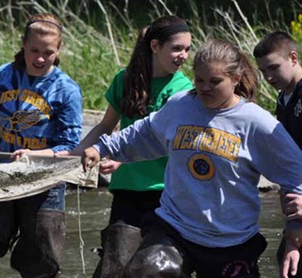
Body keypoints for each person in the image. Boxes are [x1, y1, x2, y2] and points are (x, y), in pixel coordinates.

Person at [79, 38, 302, 277]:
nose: (205, 88)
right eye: (199, 80)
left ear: (235, 79)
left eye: (215, 81)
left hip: (231, 239)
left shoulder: (257, 123)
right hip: (176, 228)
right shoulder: (181, 106)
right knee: (148, 269)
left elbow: (296, 173)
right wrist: (102, 148)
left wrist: (295, 228)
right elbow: (143, 133)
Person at [56, 15, 192, 277]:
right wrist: (76, 153)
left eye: (187, 49)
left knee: (159, 268)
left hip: (167, 194)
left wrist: (123, 157)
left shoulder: (183, 89)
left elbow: (167, 143)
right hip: (126, 191)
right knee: (113, 267)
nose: (184, 55)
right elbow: (105, 126)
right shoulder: (125, 79)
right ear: (155, 46)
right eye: (177, 48)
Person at [0, 14, 82, 277]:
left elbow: (70, 144)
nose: (40, 58)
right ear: (23, 45)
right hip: (2, 176)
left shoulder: (67, 89)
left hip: (46, 181)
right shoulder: (4, 75)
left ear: (59, 50)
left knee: (42, 261)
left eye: (48, 52)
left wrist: (34, 155)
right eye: (34, 50)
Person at [253, 31, 302, 277]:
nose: (268, 77)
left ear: (293, 57)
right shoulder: (284, 98)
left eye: (273, 67)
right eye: (263, 71)